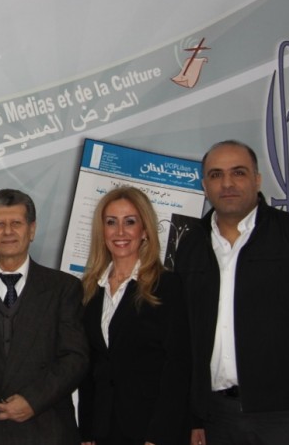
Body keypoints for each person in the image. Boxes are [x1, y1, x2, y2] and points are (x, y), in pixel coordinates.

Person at [175, 140, 289, 445]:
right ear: (204, 186)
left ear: (257, 179)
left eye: (238, 172)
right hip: (216, 418)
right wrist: (194, 417)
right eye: (216, 174)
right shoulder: (191, 246)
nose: (227, 183)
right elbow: (185, 338)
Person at [76, 186, 189, 445]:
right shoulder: (90, 290)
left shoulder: (166, 286)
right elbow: (91, 368)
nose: (120, 232)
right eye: (111, 222)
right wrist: (87, 432)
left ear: (145, 230)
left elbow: (177, 367)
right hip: (103, 430)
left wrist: (158, 436)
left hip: (150, 430)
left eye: (130, 222)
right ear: (102, 231)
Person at [0, 188, 87, 445]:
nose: (8, 231)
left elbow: (75, 357)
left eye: (16, 223)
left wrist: (33, 401)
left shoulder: (64, 288)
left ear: (32, 229)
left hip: (48, 430)